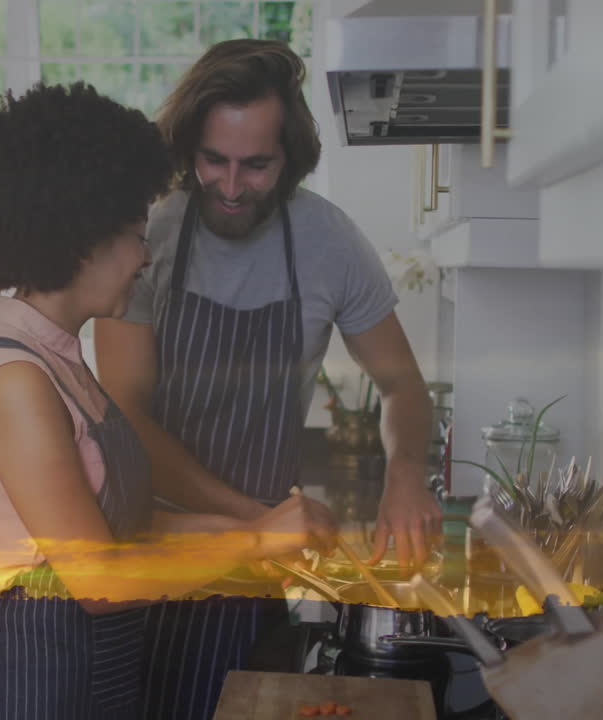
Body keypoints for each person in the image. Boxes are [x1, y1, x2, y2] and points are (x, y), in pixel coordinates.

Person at [0, 82, 338, 720]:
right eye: (133, 233)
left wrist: (263, 530)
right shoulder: (14, 382)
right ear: (82, 240)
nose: (144, 257)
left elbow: (136, 523)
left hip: (93, 687)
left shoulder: (63, 366)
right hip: (25, 693)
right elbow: (100, 581)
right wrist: (256, 546)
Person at [94, 39, 442, 719]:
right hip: (151, 553)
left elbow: (405, 390)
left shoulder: (329, 243)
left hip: (253, 578)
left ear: (292, 159)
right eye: (212, 160)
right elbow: (127, 416)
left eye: (256, 165)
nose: (229, 186)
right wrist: (253, 520)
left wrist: (406, 471)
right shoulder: (148, 239)